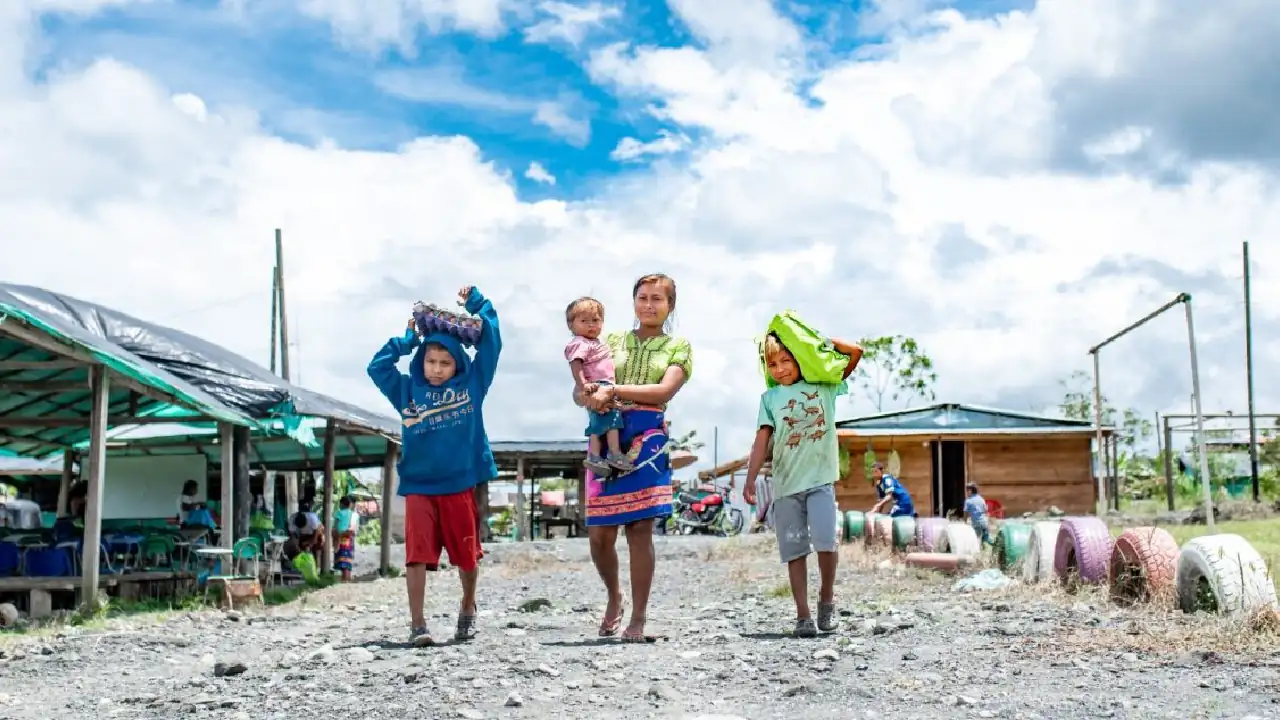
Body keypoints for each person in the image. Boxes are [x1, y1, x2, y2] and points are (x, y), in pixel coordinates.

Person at [368, 284, 501, 647]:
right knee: (416, 556)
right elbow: (376, 367)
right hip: (419, 486)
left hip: (459, 485)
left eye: (445, 362)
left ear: (458, 363)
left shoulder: (474, 383)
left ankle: (468, 606)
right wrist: (406, 341)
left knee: (467, 557)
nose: (437, 369)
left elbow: (492, 342)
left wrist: (478, 304)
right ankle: (417, 625)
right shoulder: (407, 390)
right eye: (430, 361)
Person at [578, 273, 692, 643]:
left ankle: (638, 617)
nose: (649, 304)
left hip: (646, 439)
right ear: (633, 302)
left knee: (640, 531)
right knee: (599, 535)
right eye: (643, 297)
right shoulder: (609, 340)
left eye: (658, 299)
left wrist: (611, 389)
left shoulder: (678, 347)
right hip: (603, 435)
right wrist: (588, 395)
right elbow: (581, 389)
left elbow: (664, 390)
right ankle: (614, 597)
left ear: (670, 305)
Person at [743, 332, 862, 638]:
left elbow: (855, 353)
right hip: (786, 484)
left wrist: (817, 342)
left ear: (799, 358)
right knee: (794, 550)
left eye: (786, 360)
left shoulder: (824, 386)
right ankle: (803, 615)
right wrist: (750, 477)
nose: (780, 368)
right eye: (772, 364)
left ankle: (826, 599)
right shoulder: (769, 399)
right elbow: (761, 442)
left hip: (820, 480)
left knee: (826, 542)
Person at [564, 296, 633, 477]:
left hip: (604, 385)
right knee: (611, 421)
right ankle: (614, 452)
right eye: (584, 321)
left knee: (599, 422)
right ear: (571, 325)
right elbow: (576, 364)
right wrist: (583, 384)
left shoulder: (596, 343)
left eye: (595, 320)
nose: (591, 325)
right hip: (597, 386)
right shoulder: (580, 343)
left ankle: (596, 455)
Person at [332, 496, 358, 581]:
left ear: (342, 504)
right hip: (349, 538)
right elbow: (354, 528)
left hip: (340, 537)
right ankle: (348, 578)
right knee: (347, 559)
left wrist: (335, 537)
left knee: (342, 559)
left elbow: (336, 526)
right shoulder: (353, 514)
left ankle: (344, 579)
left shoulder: (339, 513)